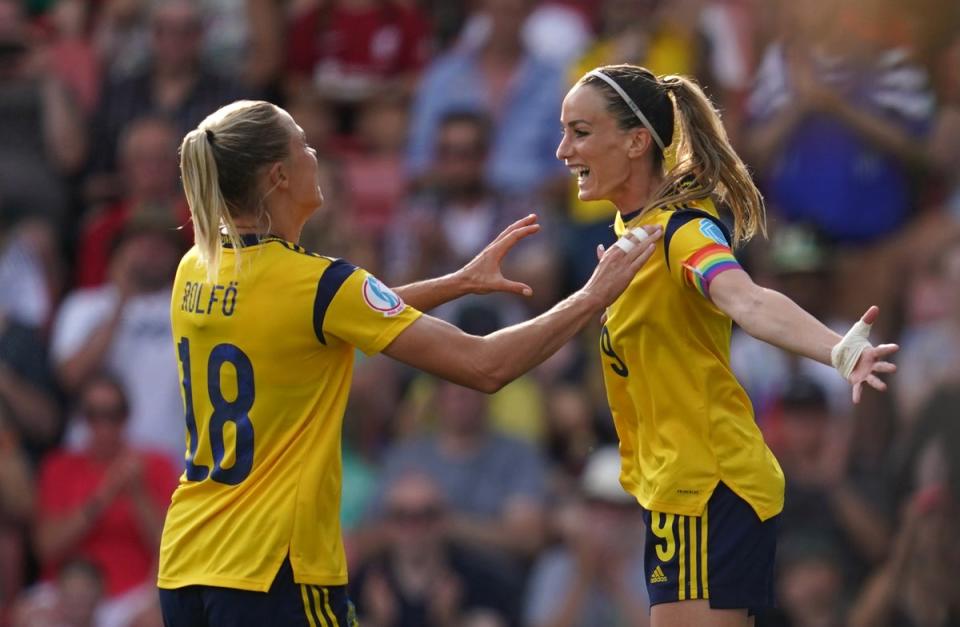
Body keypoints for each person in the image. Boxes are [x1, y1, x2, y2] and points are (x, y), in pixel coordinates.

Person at [157, 99, 660, 626]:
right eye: (303, 144)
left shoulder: (197, 266)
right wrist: (592, 296)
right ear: (279, 175)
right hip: (271, 569)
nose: (316, 155)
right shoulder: (315, 283)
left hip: (188, 558)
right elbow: (486, 365)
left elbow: (322, 319)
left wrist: (456, 282)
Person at [555, 64, 899, 626]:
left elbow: (748, 299)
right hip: (679, 489)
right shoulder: (629, 236)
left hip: (705, 487)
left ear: (638, 140)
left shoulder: (682, 231)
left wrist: (840, 350)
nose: (563, 149)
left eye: (581, 131)